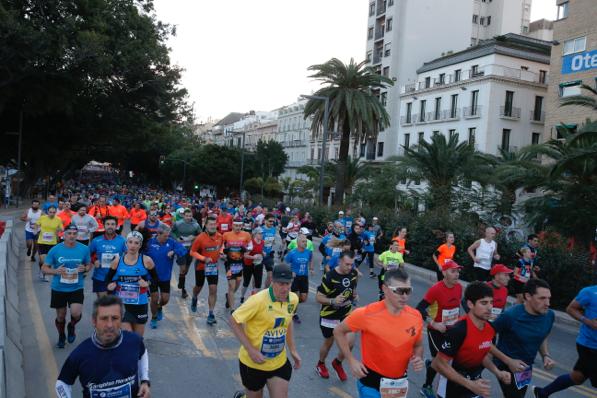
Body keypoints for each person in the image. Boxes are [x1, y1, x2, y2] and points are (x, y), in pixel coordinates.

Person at [334, 268, 424, 397]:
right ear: (385, 289)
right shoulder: (366, 314)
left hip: (398, 385)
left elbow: (418, 345)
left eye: (408, 291)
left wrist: (418, 357)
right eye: (399, 291)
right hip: (370, 382)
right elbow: (338, 331)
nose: (404, 296)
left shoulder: (416, 316)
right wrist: (351, 360)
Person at [55, 295, 151, 398]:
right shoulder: (80, 353)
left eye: (115, 318)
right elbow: (62, 383)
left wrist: (145, 381)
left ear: (121, 319)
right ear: (94, 321)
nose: (109, 325)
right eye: (104, 318)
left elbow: (142, 353)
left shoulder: (134, 341)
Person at [230, 264, 301, 398]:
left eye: (288, 284)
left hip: (278, 362)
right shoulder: (258, 300)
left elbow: (288, 321)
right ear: (272, 281)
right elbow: (234, 320)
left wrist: (293, 350)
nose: (285, 288)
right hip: (253, 363)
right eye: (281, 284)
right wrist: (251, 350)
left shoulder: (293, 299)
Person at [432, 282, 511, 398]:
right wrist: (470, 385)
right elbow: (437, 364)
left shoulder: (490, 329)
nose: (490, 307)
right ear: (470, 304)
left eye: (491, 302)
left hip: (474, 384)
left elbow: (480, 353)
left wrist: (498, 372)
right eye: (484, 303)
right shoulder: (459, 330)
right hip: (452, 389)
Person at [491, 278, 555, 398]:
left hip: (526, 368)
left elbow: (542, 335)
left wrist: (545, 355)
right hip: (505, 366)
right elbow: (484, 340)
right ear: (528, 296)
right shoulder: (510, 316)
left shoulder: (549, 315)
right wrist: (508, 361)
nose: (548, 303)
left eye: (549, 298)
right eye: (542, 298)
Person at [532, 284, 597, 397]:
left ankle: (542, 393)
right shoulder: (590, 292)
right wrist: (588, 322)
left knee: (578, 377)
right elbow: (571, 308)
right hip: (589, 345)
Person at [416, 260, 463, 398]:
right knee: (440, 361)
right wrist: (434, 324)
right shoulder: (436, 289)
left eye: (458, 271)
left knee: (446, 359)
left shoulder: (459, 287)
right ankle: (427, 387)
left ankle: (431, 364)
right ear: (444, 272)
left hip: (452, 330)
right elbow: (419, 308)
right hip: (436, 331)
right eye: (453, 271)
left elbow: (456, 307)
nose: (456, 274)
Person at [41, 224, 92, 348]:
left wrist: (85, 268)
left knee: (75, 313)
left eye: (74, 234)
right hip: (59, 287)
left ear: (77, 235)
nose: (72, 236)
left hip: (76, 287)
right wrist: (55, 271)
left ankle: (72, 326)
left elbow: (89, 265)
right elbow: (44, 268)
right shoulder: (55, 249)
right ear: (64, 235)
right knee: (61, 315)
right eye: (69, 233)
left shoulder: (84, 249)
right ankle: (61, 335)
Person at [105, 231, 159, 337]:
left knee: (138, 338)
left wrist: (147, 283)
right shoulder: (117, 260)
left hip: (140, 303)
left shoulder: (147, 260)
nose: (133, 245)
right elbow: (108, 279)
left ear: (140, 245)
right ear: (126, 244)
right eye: (130, 242)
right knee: (128, 335)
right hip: (122, 303)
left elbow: (156, 279)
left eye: (136, 243)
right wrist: (109, 286)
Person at [315, 251, 358, 381]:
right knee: (329, 342)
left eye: (351, 264)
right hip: (329, 315)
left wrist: (355, 295)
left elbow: (353, 288)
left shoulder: (353, 273)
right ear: (339, 261)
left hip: (346, 314)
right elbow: (318, 297)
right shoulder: (330, 276)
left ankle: (337, 363)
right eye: (347, 264)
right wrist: (332, 301)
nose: (349, 267)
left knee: (350, 342)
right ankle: (320, 364)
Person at [144, 224, 186, 329]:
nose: (167, 238)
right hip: (151, 276)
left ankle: (159, 307)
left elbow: (183, 250)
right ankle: (153, 318)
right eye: (165, 236)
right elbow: (141, 254)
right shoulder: (150, 243)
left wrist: (174, 251)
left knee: (165, 300)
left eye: (168, 235)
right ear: (158, 234)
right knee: (154, 298)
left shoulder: (171, 242)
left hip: (165, 277)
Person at [189, 216, 224, 324]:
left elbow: (221, 246)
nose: (213, 226)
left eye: (214, 224)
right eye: (210, 224)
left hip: (213, 267)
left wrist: (221, 253)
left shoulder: (220, 236)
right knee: (199, 286)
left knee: (213, 289)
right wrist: (203, 258)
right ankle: (194, 297)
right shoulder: (200, 238)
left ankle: (211, 313)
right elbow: (192, 252)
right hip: (201, 266)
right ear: (206, 225)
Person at [89, 216, 126, 298]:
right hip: (100, 277)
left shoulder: (122, 240)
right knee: (103, 304)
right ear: (104, 225)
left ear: (116, 226)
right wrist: (94, 261)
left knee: (115, 305)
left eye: (112, 224)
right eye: (108, 224)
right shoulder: (96, 241)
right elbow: (90, 254)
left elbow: (129, 256)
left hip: (117, 277)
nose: (110, 226)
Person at [171, 208, 201, 299]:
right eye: (187, 216)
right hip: (180, 248)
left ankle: (181, 280)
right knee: (183, 269)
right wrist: (176, 238)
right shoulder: (178, 223)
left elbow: (201, 234)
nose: (188, 218)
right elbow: (172, 232)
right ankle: (183, 290)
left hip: (190, 249)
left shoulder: (195, 225)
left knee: (186, 271)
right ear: (183, 216)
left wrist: (193, 237)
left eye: (190, 216)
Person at [223, 220, 252, 312]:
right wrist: (222, 253)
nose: (237, 228)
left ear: (242, 226)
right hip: (229, 263)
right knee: (231, 285)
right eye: (235, 226)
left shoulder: (246, 235)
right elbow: (221, 247)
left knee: (237, 284)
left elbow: (251, 246)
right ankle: (232, 309)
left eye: (239, 226)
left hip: (240, 263)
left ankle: (229, 296)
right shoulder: (226, 235)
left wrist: (246, 249)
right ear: (232, 225)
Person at [284, 234, 313, 323]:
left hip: (304, 277)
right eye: (303, 241)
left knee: (303, 298)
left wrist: (311, 268)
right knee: (295, 296)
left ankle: (290, 304)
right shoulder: (292, 253)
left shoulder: (308, 252)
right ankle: (294, 314)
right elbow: (285, 263)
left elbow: (311, 259)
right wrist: (290, 271)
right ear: (298, 243)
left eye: (306, 241)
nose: (305, 243)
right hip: (295, 278)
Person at [36, 205, 64, 281]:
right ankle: (42, 270)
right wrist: (36, 230)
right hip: (42, 242)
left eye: (54, 212)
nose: (52, 213)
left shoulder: (58, 219)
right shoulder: (42, 218)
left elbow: (62, 228)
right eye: (50, 212)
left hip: (52, 243)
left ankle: (45, 274)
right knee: (43, 260)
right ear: (47, 212)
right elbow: (37, 224)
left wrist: (59, 229)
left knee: (49, 260)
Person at [240, 228, 265, 304]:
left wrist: (263, 253)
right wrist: (253, 257)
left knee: (258, 283)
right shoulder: (251, 243)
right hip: (248, 264)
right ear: (255, 234)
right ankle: (242, 296)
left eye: (262, 234)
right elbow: (245, 255)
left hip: (258, 264)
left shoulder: (262, 242)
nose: (261, 235)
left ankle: (252, 299)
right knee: (246, 282)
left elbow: (260, 250)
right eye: (260, 234)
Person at [261, 214, 277, 288]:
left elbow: (272, 240)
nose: (272, 223)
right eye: (270, 221)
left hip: (269, 255)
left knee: (270, 275)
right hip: (260, 255)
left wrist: (273, 242)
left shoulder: (273, 229)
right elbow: (256, 243)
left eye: (273, 221)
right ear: (265, 221)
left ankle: (265, 291)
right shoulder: (260, 229)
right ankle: (254, 291)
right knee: (257, 275)